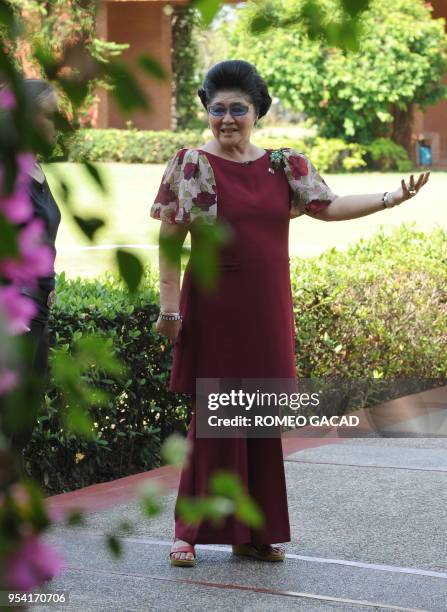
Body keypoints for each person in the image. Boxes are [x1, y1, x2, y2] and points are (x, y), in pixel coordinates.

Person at [150, 60, 430, 567]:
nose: (227, 119)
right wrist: (170, 311)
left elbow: (330, 206)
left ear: (258, 111)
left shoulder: (284, 165)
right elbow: (170, 243)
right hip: (212, 310)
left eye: (239, 109)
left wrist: (393, 197)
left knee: (259, 418)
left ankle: (254, 532)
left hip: (266, 309)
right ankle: (188, 533)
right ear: (206, 112)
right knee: (211, 421)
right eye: (218, 110)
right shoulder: (191, 164)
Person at [8, 79, 62, 462]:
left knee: (22, 422)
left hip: (38, 310)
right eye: (49, 116)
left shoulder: (36, 169)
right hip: (13, 312)